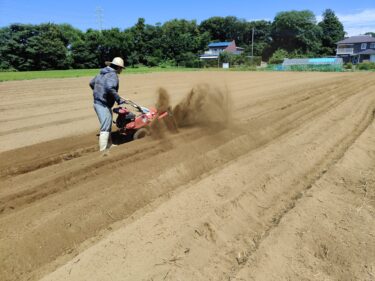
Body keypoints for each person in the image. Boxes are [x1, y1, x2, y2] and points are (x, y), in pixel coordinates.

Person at [90, 57, 126, 151]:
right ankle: (103, 150)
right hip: (102, 104)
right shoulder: (112, 75)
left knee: (108, 123)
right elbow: (110, 88)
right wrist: (118, 99)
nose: (121, 70)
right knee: (105, 125)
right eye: (121, 68)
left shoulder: (101, 73)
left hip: (99, 102)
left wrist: (98, 91)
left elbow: (91, 83)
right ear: (118, 67)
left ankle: (109, 144)